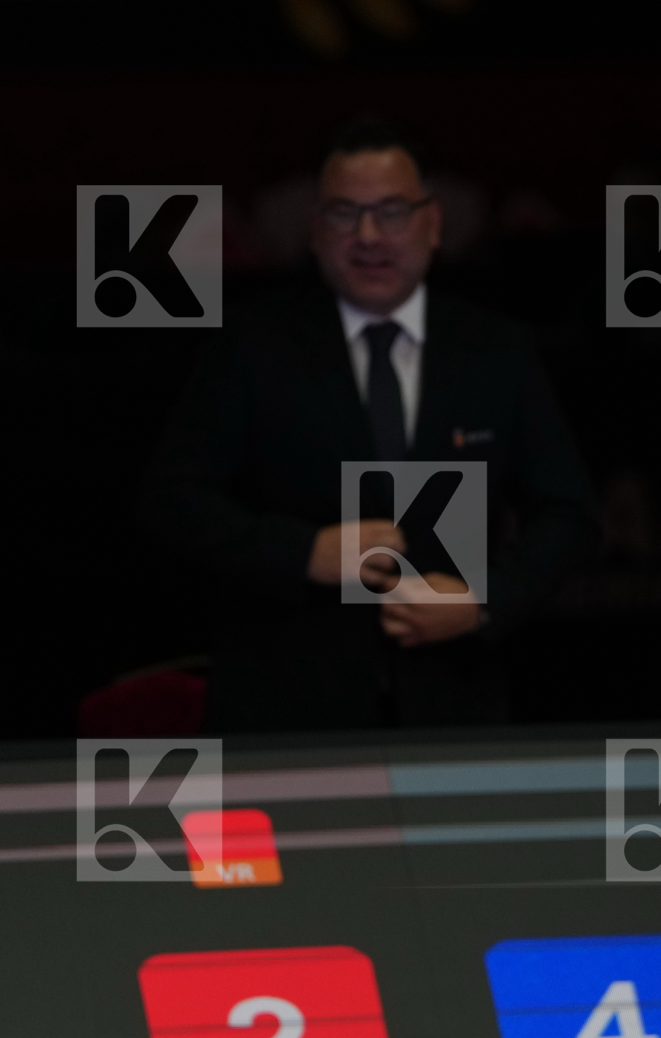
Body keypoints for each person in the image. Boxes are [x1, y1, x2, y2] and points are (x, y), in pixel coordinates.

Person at [140, 119, 597, 731]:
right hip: (284, 710)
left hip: (451, 705)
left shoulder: (496, 351)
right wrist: (303, 552)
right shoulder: (250, 345)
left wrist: (481, 601)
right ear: (313, 229)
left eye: (391, 212)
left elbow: (570, 516)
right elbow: (171, 501)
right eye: (343, 214)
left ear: (432, 224)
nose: (368, 236)